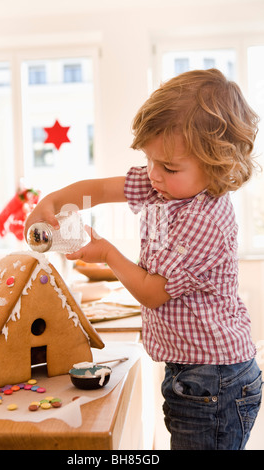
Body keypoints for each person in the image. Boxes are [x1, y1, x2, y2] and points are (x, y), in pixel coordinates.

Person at [24, 68, 262, 450]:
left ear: (217, 164)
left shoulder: (206, 219)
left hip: (215, 381)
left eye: (168, 166)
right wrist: (52, 202)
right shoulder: (163, 186)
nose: (152, 174)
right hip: (192, 373)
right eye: (149, 159)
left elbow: (153, 293)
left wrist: (107, 254)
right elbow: (99, 190)